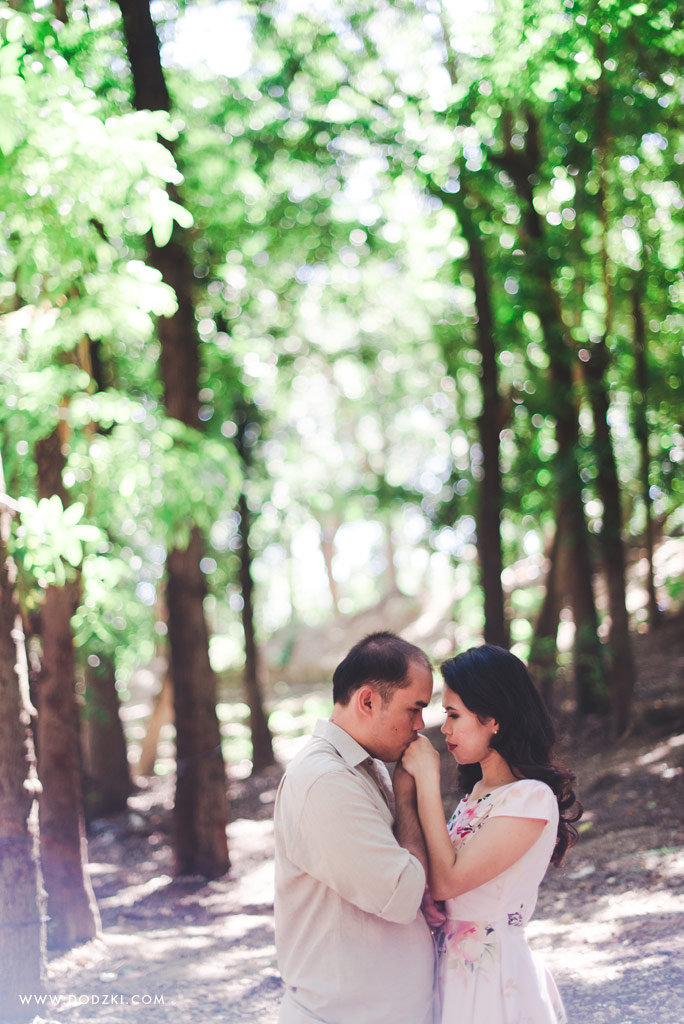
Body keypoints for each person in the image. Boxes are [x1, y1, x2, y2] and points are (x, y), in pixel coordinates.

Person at [400, 643, 581, 1024]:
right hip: (450, 966)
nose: (444, 728)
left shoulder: (530, 799)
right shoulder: (479, 794)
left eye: (453, 715)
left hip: (493, 977)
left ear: (494, 719)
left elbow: (449, 881)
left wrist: (427, 783)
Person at [273, 631, 437, 1024]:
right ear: (367, 700)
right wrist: (410, 795)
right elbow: (404, 893)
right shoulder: (324, 780)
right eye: (413, 709)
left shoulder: (363, 766)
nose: (421, 724)